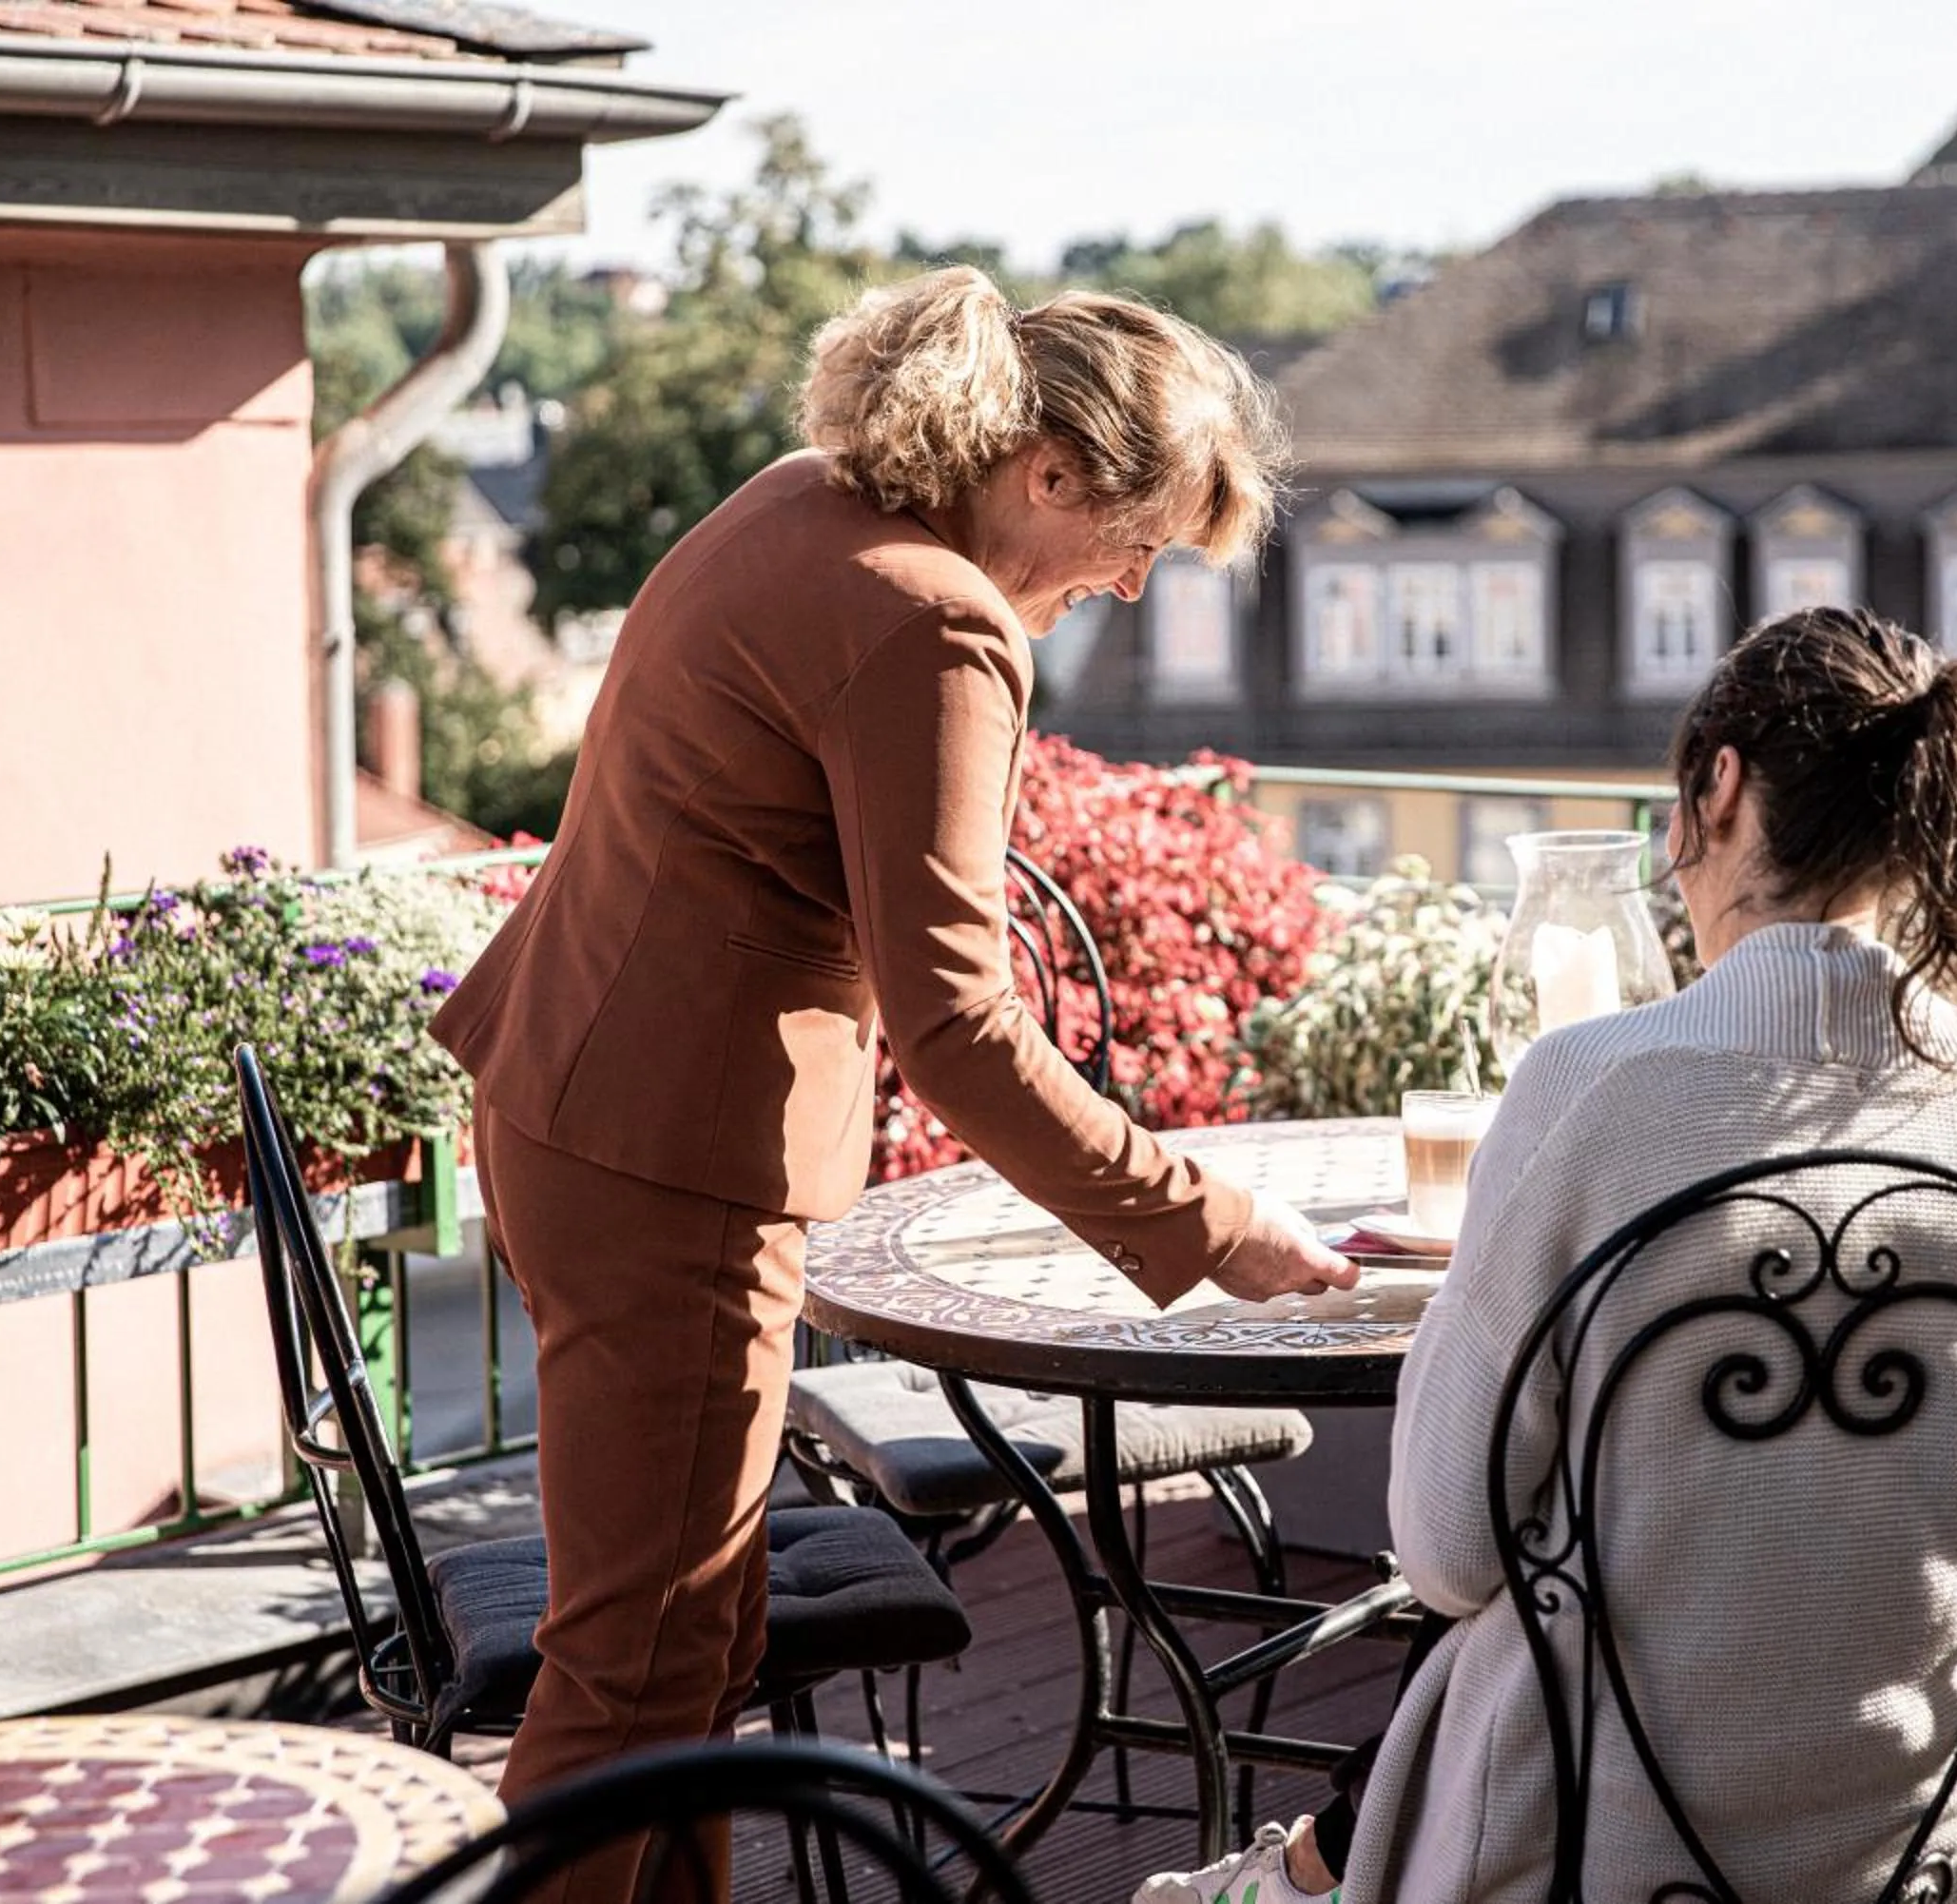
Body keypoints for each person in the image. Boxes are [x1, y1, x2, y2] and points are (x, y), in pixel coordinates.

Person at [430, 266, 1357, 1903]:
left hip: (579, 1104)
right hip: (674, 1163)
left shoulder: (808, 502)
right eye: (1138, 540)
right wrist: (1214, 1224)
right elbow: (960, 1029)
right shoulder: (935, 617)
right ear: (1048, 476)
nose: (1136, 587)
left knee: (690, 1643)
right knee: (638, 1665)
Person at [1138, 607, 1957, 1904]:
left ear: (1716, 788)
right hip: (1934, 1853)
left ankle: (1291, 1883)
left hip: (1587, 1853)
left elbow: (1447, 1547)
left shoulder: (1583, 1091)